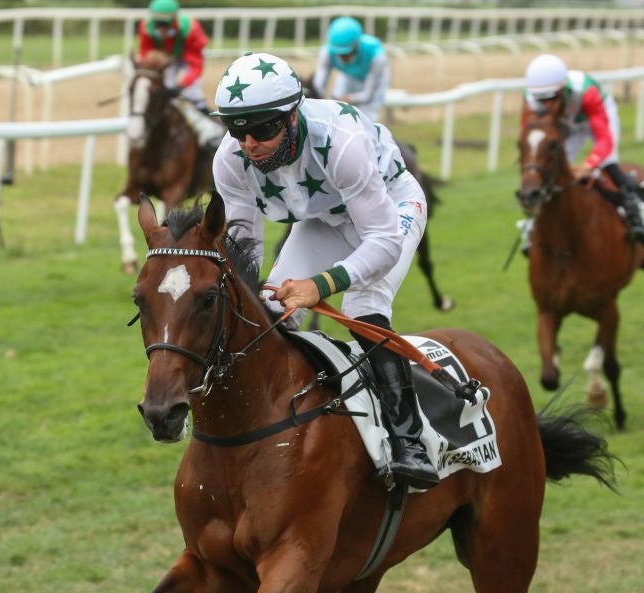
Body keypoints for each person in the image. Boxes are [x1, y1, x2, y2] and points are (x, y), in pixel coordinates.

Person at [210, 52, 439, 490]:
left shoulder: (341, 142)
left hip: (390, 210)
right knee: (270, 314)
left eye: (263, 128)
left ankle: (409, 441)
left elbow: (384, 242)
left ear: (293, 116)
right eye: (236, 130)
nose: (249, 143)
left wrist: (321, 285)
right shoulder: (230, 160)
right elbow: (245, 249)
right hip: (322, 219)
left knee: (363, 303)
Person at [522, 53, 644, 248]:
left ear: (564, 89)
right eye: (541, 100)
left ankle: (635, 215)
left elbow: (604, 141)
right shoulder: (530, 100)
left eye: (552, 98)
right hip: (566, 125)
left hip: (595, 119)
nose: (547, 105)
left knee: (608, 163)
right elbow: (530, 140)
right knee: (549, 169)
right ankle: (533, 225)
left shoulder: (587, 92)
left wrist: (589, 164)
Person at [311, 16, 390, 123]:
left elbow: (367, 95)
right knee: (337, 114)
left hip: (374, 81)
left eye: (347, 53)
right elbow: (318, 87)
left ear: (357, 45)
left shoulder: (377, 57)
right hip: (348, 75)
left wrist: (348, 99)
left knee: (366, 122)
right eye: (339, 53)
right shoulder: (326, 52)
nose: (343, 57)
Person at [137, 0, 210, 113]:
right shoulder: (146, 27)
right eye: (157, 23)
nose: (161, 29)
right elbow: (145, 56)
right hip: (169, 57)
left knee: (192, 91)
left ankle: (205, 115)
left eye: (165, 24)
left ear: (175, 19)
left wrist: (181, 86)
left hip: (189, 55)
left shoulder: (191, 30)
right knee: (167, 85)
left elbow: (196, 66)